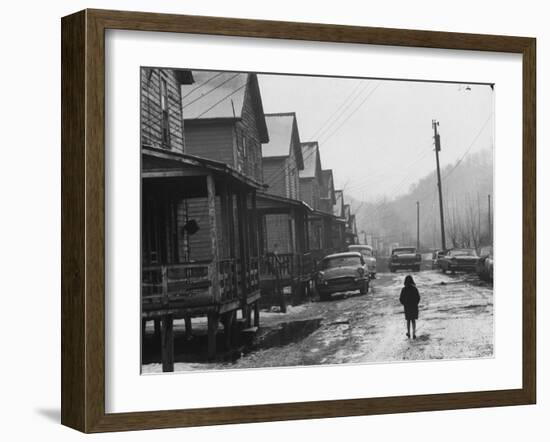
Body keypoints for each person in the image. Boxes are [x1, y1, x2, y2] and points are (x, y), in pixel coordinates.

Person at [399, 275, 420, 339]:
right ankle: (414, 333)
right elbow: (418, 297)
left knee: (408, 320)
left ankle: (408, 332)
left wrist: (404, 304)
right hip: (413, 306)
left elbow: (401, 298)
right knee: (413, 320)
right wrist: (416, 303)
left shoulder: (404, 289)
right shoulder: (414, 289)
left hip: (407, 306)